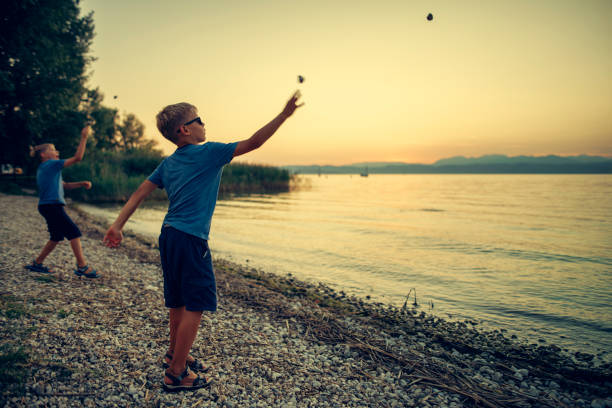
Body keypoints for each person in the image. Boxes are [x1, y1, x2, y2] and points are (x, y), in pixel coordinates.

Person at [103, 91, 303, 391]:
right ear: (184, 129)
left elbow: (139, 194)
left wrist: (118, 225)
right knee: (195, 304)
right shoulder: (209, 152)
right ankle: (176, 373)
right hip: (190, 238)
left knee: (178, 303)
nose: (203, 123)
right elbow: (254, 142)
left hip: (168, 236)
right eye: (198, 119)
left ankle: (174, 354)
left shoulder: (167, 164)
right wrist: (284, 115)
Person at [26, 125, 100, 278]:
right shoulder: (50, 164)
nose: (57, 152)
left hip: (47, 206)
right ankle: (82, 266)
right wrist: (84, 137)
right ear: (44, 154)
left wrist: (81, 183)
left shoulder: (47, 169)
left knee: (56, 237)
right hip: (52, 206)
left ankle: (37, 263)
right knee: (74, 232)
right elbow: (78, 158)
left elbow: (64, 185)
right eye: (54, 149)